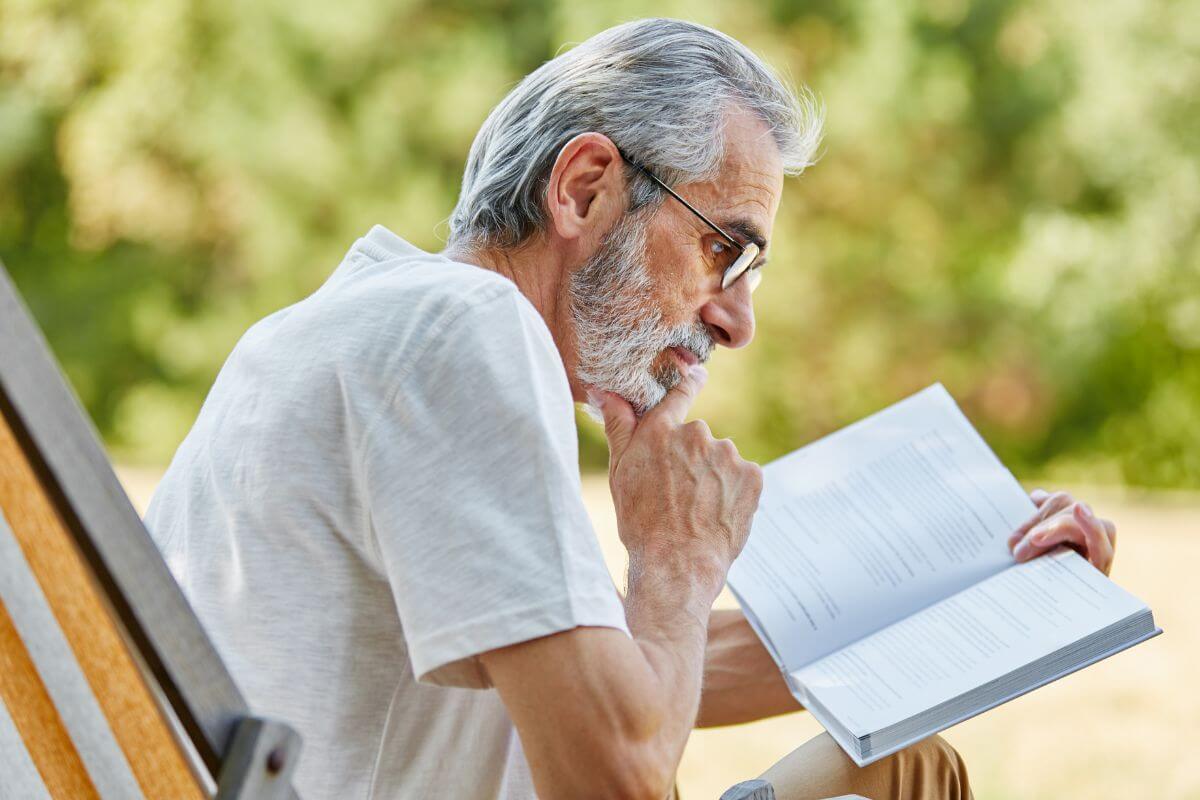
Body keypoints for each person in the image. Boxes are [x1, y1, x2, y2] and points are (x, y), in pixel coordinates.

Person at [145, 18, 1118, 800]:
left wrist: (985, 583)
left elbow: (602, 663)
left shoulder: (371, 320)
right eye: (723, 249)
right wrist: (680, 559)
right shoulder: (464, 332)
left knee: (900, 757)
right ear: (583, 189)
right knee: (913, 774)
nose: (736, 320)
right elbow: (617, 775)